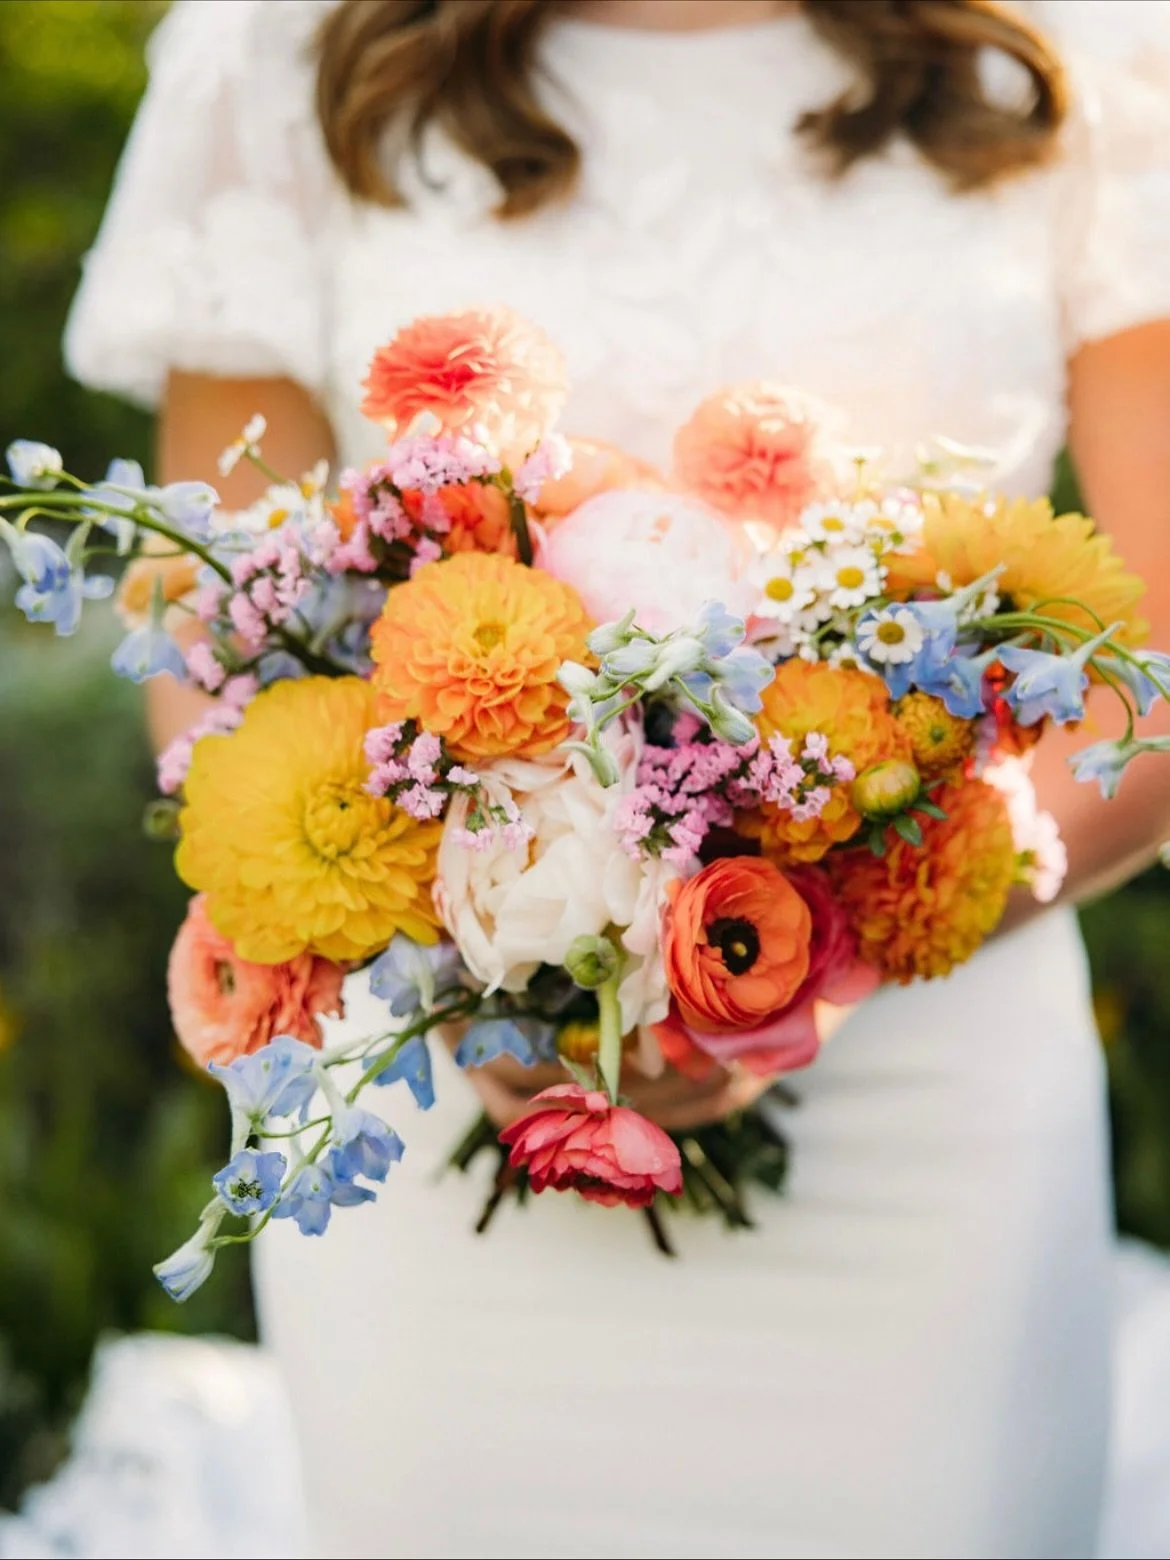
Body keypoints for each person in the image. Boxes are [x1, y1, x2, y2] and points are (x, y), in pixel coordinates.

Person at [65, 1, 1170, 1555]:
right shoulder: (277, 47)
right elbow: (213, 626)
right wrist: (455, 941)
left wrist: (811, 957)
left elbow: (1156, 678)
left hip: (932, 1117)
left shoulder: (1085, 47)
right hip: (448, 1122)